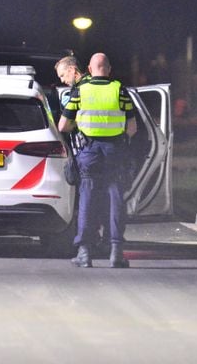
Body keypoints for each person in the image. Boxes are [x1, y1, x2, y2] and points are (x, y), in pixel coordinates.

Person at [58, 52, 137, 268]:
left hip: (89, 152)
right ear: (109, 69)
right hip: (114, 152)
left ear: (90, 70)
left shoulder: (80, 92)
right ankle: (116, 252)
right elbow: (132, 128)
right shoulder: (120, 90)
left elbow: (63, 126)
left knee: (87, 201)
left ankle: (84, 253)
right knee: (116, 200)